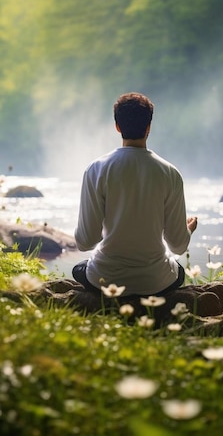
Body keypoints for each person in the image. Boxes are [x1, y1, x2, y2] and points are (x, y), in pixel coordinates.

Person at [72, 92, 197, 297]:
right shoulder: (170, 173)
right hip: (156, 281)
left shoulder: (96, 170)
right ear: (149, 127)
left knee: (79, 269)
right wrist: (187, 230)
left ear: (117, 126)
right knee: (179, 271)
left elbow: (85, 242)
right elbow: (178, 246)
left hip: (106, 279)